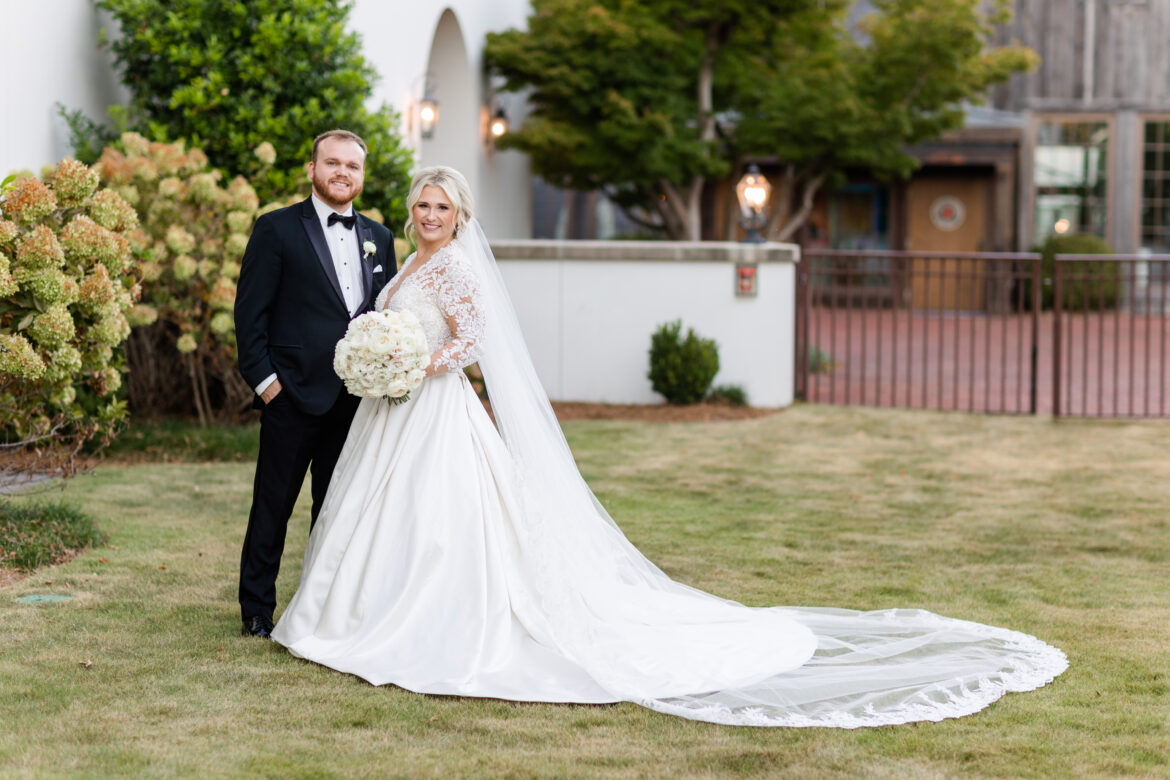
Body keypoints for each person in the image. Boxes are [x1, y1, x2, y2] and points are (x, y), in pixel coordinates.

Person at [271, 166, 1067, 727]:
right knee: (385, 516)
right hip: (396, 412)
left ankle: (429, 623)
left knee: (454, 524)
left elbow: (473, 339)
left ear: (461, 214)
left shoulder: (456, 271)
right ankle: (360, 612)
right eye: (421, 205)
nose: (429, 216)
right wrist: (386, 362)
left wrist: (417, 365)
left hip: (434, 407)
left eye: (441, 207)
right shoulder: (411, 259)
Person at [233, 130, 394, 638]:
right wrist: (266, 385)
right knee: (272, 507)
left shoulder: (381, 238)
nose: (343, 172)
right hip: (291, 395)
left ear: (362, 175)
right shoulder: (276, 229)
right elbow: (249, 315)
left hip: (355, 401)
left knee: (337, 510)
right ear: (312, 169)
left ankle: (322, 608)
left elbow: (384, 315)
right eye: (333, 163)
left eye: (353, 166)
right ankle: (257, 609)